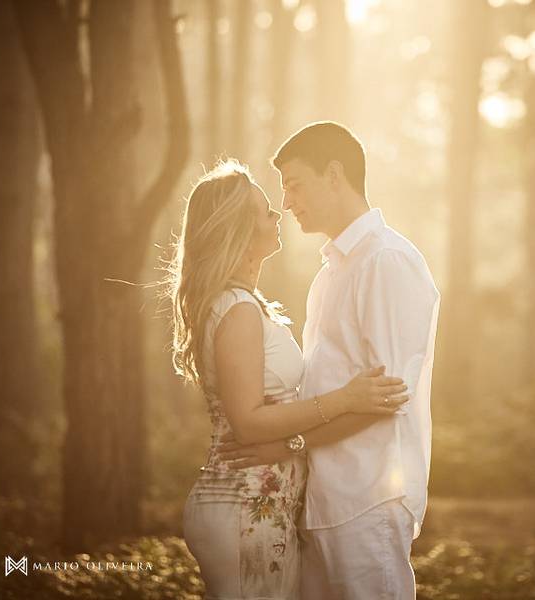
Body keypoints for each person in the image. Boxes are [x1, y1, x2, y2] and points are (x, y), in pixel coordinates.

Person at [168, 160, 410, 600]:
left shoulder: (244, 304)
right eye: (265, 210)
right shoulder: (237, 309)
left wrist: (297, 444)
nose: (278, 213)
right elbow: (249, 423)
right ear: (240, 230)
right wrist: (344, 399)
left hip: (259, 505)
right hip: (244, 505)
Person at [217, 122, 441, 599]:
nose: (288, 202)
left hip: (369, 496)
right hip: (324, 499)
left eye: (295, 185)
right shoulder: (331, 272)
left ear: (334, 175)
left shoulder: (385, 261)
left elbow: (385, 398)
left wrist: (287, 446)